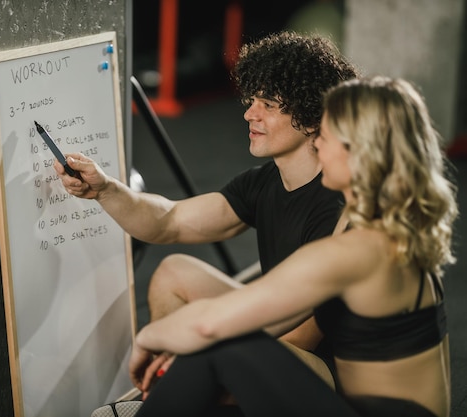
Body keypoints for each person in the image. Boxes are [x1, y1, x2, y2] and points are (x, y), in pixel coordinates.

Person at [127, 76, 457, 417]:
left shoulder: (360, 250)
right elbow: (262, 318)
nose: (317, 147)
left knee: (220, 345)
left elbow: (210, 324)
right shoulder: (382, 224)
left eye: (324, 138)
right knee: (220, 356)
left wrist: (148, 338)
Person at [57, 31, 358, 399]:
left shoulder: (336, 207)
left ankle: (179, 390)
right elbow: (168, 222)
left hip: (331, 378)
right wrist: (104, 189)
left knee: (215, 352)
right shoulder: (264, 183)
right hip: (277, 342)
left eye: (268, 103)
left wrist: (192, 340)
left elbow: (302, 336)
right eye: (252, 99)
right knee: (174, 273)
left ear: (312, 114)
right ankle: (171, 391)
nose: (250, 113)